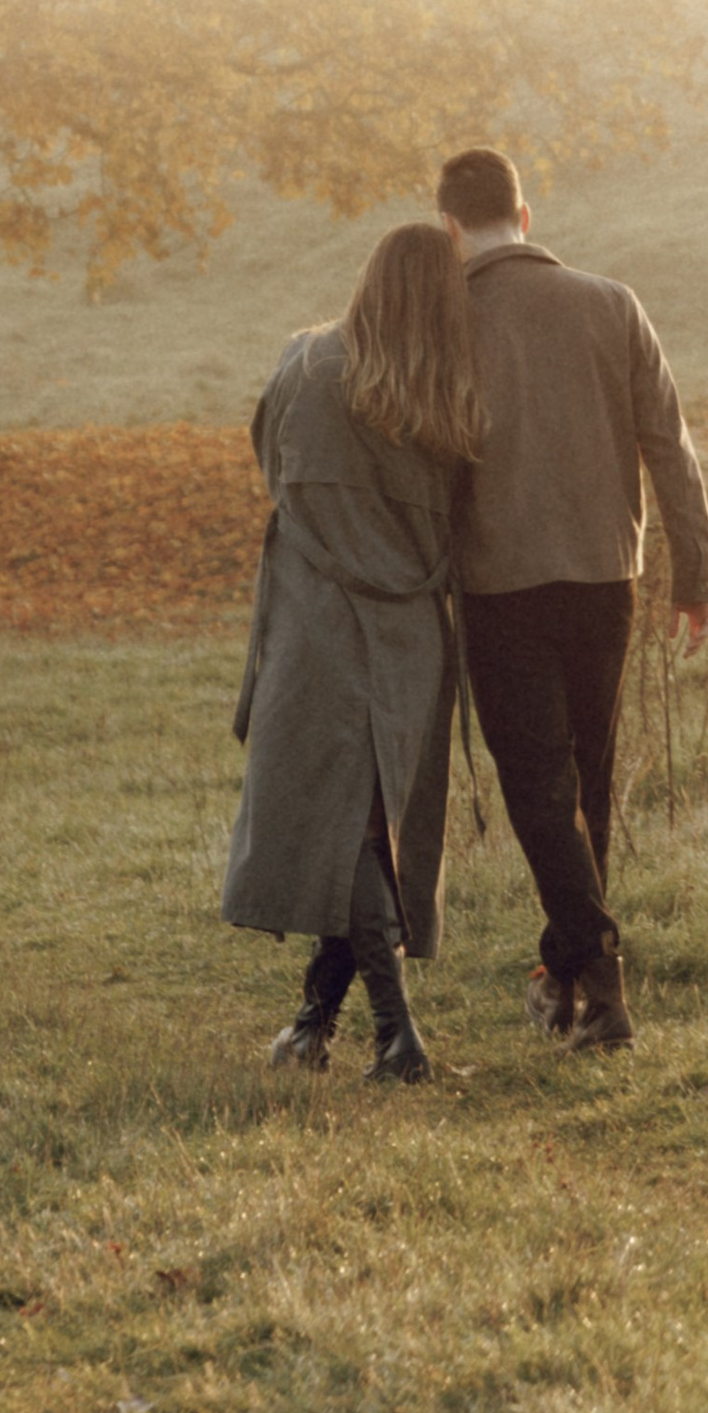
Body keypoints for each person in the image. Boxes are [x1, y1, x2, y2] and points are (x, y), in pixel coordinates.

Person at [437, 143, 708, 1053]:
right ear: (526, 218)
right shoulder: (611, 303)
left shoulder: (442, 322)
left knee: (539, 792)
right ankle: (567, 983)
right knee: (584, 781)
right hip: (608, 575)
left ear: (450, 229)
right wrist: (696, 576)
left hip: (499, 579)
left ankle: (599, 974)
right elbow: (669, 446)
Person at [221, 220, 480, 1082]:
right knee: (366, 827)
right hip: (408, 633)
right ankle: (314, 1025)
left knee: (353, 831)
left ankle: (393, 1036)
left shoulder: (306, 365)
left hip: (318, 624)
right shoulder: (449, 396)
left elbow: (270, 463)